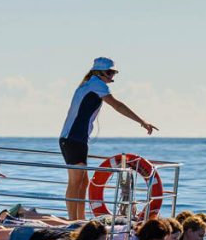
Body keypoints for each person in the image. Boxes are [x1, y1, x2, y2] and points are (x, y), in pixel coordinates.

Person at [60, 57, 158, 221]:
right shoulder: (96, 84)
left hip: (76, 140)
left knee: (83, 182)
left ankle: (80, 219)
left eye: (114, 72)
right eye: (109, 72)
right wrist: (142, 122)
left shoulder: (90, 84)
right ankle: (72, 221)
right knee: (75, 182)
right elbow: (117, 105)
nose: (112, 75)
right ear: (98, 72)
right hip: (72, 139)